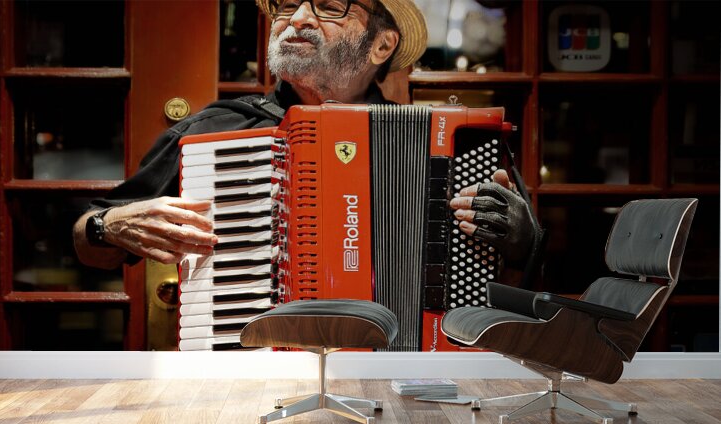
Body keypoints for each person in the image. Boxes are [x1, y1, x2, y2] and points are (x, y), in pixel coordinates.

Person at [73, 0, 541, 277]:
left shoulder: (443, 143)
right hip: (253, 363)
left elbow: (530, 263)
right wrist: (106, 226)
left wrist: (521, 235)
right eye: (285, 5)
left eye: (330, 7)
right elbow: (87, 242)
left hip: (396, 368)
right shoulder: (215, 130)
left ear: (382, 45)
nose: (296, 18)